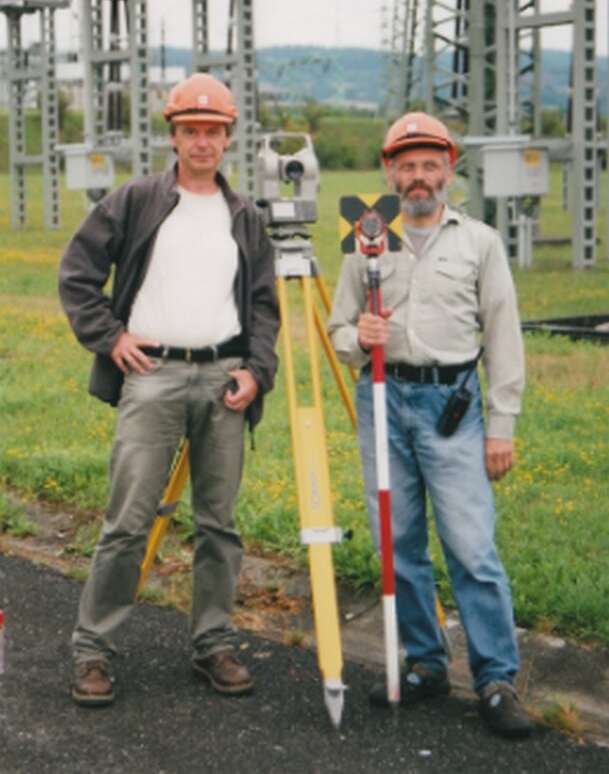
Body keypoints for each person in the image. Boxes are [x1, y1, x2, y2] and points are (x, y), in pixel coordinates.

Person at [59, 72, 279, 707]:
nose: (202, 142)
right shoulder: (135, 201)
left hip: (223, 379)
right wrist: (109, 337)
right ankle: (93, 651)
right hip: (151, 376)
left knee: (219, 524)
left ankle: (214, 644)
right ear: (174, 136)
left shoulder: (245, 216)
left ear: (228, 138)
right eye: (191, 130)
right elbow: (77, 273)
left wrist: (256, 370)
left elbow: (264, 306)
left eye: (213, 131)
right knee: (127, 522)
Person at [328, 112, 532, 739]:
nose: (419, 177)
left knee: (470, 546)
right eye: (407, 166)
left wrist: (502, 424)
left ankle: (496, 678)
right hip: (383, 400)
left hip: (453, 406)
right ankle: (426, 662)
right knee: (397, 541)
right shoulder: (366, 241)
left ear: (448, 170)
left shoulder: (479, 243)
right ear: (389, 172)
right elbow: (338, 330)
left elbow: (504, 336)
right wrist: (358, 339)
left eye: (430, 165)